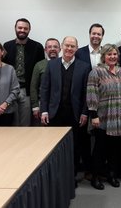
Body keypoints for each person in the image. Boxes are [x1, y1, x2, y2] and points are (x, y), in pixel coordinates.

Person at [40, 36, 91, 181]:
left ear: (76, 48)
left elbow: (86, 92)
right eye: (67, 45)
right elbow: (45, 89)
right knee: (54, 146)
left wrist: (84, 112)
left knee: (74, 147)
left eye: (72, 46)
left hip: (75, 115)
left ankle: (71, 176)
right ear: (62, 47)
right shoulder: (52, 65)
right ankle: (55, 175)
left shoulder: (84, 66)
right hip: (54, 113)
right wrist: (44, 110)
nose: (69, 49)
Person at [87, 44, 121, 190]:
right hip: (102, 116)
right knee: (100, 148)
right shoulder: (96, 72)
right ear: (103, 56)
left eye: (114, 54)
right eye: (109, 54)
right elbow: (91, 94)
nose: (112, 57)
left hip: (119, 117)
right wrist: (94, 116)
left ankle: (112, 174)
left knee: (115, 149)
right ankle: (95, 177)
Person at [75, 23, 105, 181]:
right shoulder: (79, 53)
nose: (96, 36)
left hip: (104, 100)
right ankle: (87, 169)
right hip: (84, 99)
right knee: (84, 137)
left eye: (99, 34)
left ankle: (99, 168)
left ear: (102, 36)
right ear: (89, 34)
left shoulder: (107, 52)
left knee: (101, 136)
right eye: (93, 33)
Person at [3, 18, 44, 126]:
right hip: (9, 90)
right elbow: (2, 68)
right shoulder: (7, 46)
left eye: (25, 28)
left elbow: (40, 71)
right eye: (20, 27)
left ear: (29, 30)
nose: (22, 30)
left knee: (25, 123)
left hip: (27, 91)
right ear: (15, 28)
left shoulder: (37, 47)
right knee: (11, 123)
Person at [30, 38, 61, 121]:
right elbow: (33, 87)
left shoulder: (63, 64)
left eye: (55, 47)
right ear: (45, 49)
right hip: (42, 103)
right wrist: (35, 106)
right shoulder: (39, 65)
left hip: (58, 104)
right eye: (49, 47)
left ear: (60, 49)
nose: (52, 49)